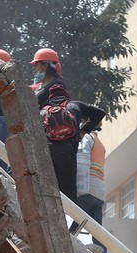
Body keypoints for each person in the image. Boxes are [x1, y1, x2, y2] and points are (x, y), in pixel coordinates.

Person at [31, 48, 82, 204]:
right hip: (46, 139)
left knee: (65, 189)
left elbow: (34, 101)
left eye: (36, 65)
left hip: (59, 140)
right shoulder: (42, 86)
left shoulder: (56, 84)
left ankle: (71, 225)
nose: (34, 69)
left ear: (45, 65)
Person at [71, 110, 108, 253]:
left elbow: (82, 162)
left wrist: (78, 189)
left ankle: (64, 245)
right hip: (98, 193)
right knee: (97, 231)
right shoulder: (99, 143)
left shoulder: (87, 138)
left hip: (87, 189)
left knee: (76, 222)